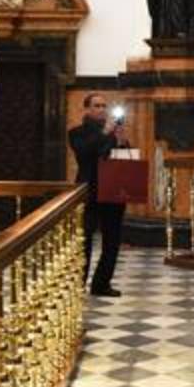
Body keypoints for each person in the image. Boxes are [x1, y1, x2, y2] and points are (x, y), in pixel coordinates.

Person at [68, 93, 128, 297]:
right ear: (87, 109)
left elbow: (123, 160)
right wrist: (105, 133)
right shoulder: (76, 133)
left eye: (104, 105)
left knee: (112, 241)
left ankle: (101, 284)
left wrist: (121, 142)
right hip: (89, 191)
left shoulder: (113, 133)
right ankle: (78, 284)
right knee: (84, 240)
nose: (102, 109)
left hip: (113, 191)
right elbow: (85, 153)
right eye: (97, 105)